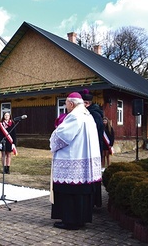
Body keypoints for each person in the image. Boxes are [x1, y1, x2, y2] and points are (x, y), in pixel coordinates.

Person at [49, 92, 102, 230]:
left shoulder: (74, 116)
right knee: (80, 192)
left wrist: (53, 136)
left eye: (66, 103)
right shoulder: (87, 115)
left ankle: (70, 221)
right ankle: (80, 219)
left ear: (71, 103)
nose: (65, 106)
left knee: (70, 192)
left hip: (73, 160)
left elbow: (62, 136)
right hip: (84, 160)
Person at [80, 89, 103, 208]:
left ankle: (93, 201)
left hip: (93, 149)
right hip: (89, 149)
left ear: (86, 103)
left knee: (92, 176)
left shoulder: (94, 114)